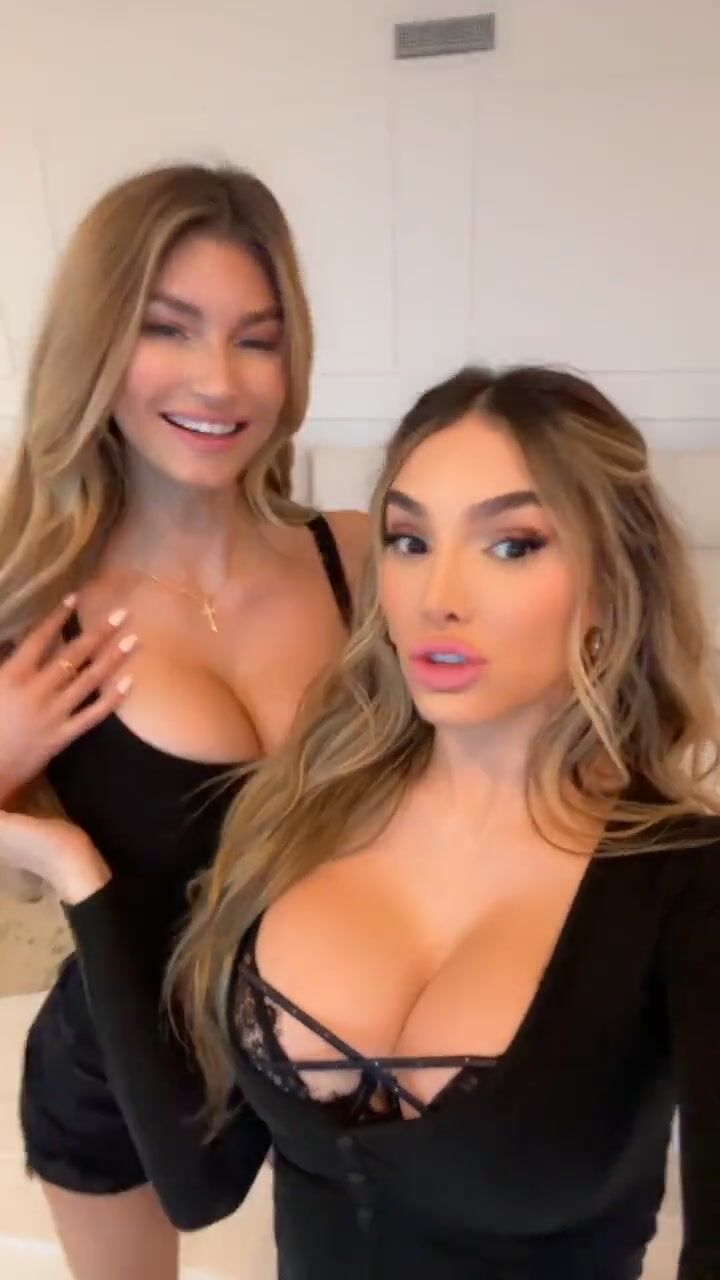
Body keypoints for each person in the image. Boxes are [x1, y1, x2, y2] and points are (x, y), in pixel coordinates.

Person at [1, 365, 719, 1279]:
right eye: (409, 540)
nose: (437, 595)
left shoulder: (686, 883)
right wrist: (76, 871)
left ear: (613, 584)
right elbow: (198, 1183)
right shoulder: (310, 809)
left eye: (511, 545)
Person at [0, 162, 367, 1280]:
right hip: (119, 1074)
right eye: (169, 328)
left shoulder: (355, 558)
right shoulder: (28, 602)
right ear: (98, 345)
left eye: (258, 338)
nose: (219, 378)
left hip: (344, 1055)